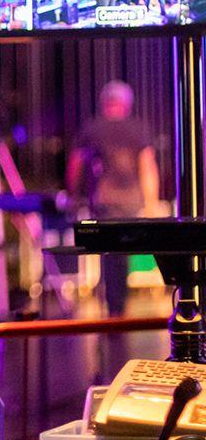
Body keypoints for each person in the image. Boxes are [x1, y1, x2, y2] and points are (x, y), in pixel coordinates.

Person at [67, 81, 162, 316]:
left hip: (105, 199)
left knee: (109, 254)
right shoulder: (138, 129)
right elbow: (147, 166)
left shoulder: (93, 128)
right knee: (122, 253)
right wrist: (151, 203)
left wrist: (73, 195)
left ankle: (114, 308)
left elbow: (76, 165)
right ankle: (119, 307)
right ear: (126, 104)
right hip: (131, 200)